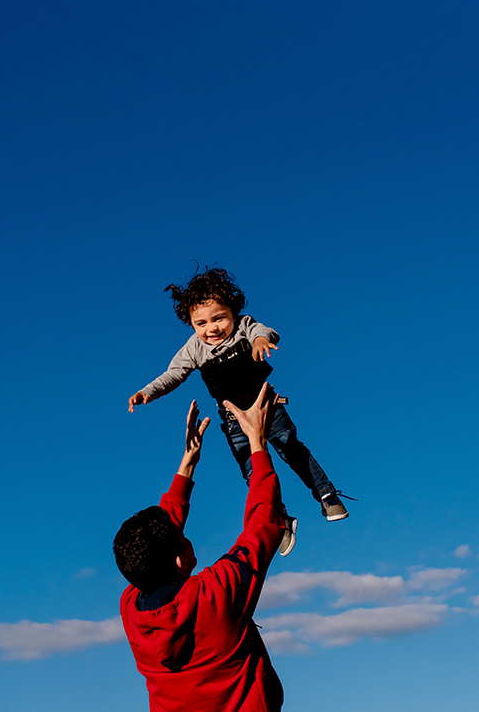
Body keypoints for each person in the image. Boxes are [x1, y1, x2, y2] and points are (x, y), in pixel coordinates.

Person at [128, 267, 349, 522]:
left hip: (267, 407)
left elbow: (265, 331)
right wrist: (148, 392)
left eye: (219, 318)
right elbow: (173, 375)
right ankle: (278, 517)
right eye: (201, 323)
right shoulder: (194, 348)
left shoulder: (244, 326)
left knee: (292, 450)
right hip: (235, 420)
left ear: (233, 312)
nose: (211, 328)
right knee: (252, 470)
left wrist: (260, 340)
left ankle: (326, 494)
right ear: (191, 324)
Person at [114, 384, 287, 712]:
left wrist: (187, 466)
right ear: (180, 558)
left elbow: (157, 542)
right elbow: (262, 525)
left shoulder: (132, 610)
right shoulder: (215, 592)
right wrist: (257, 443)